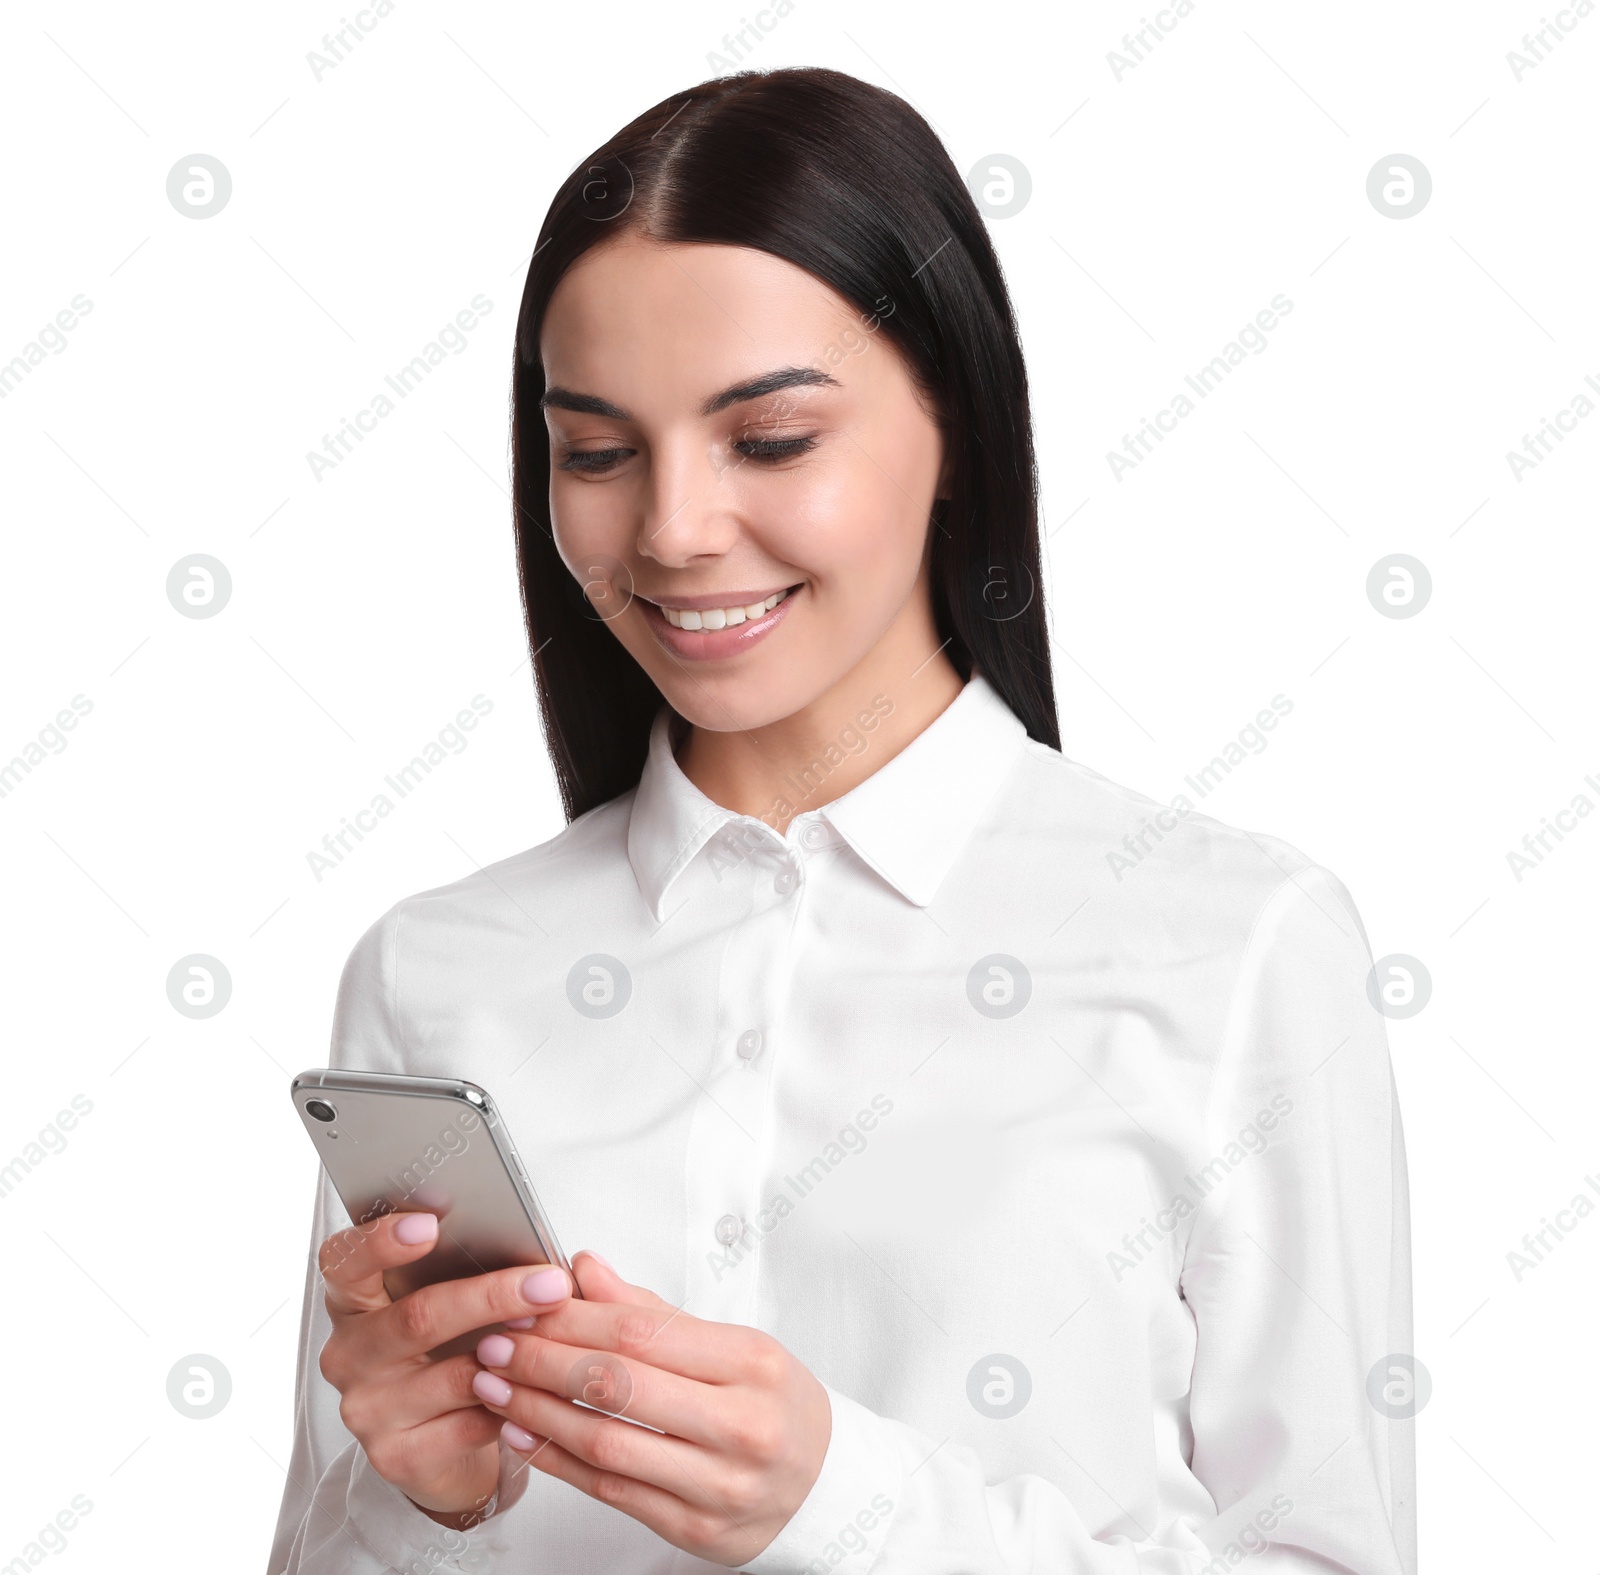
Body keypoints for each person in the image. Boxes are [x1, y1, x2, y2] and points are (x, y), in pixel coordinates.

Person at [269, 65, 1415, 1575]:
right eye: (598, 453)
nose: (671, 529)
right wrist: (420, 1499)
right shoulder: (437, 974)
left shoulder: (1235, 944)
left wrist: (843, 1504)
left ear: (955, 424)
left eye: (772, 440)